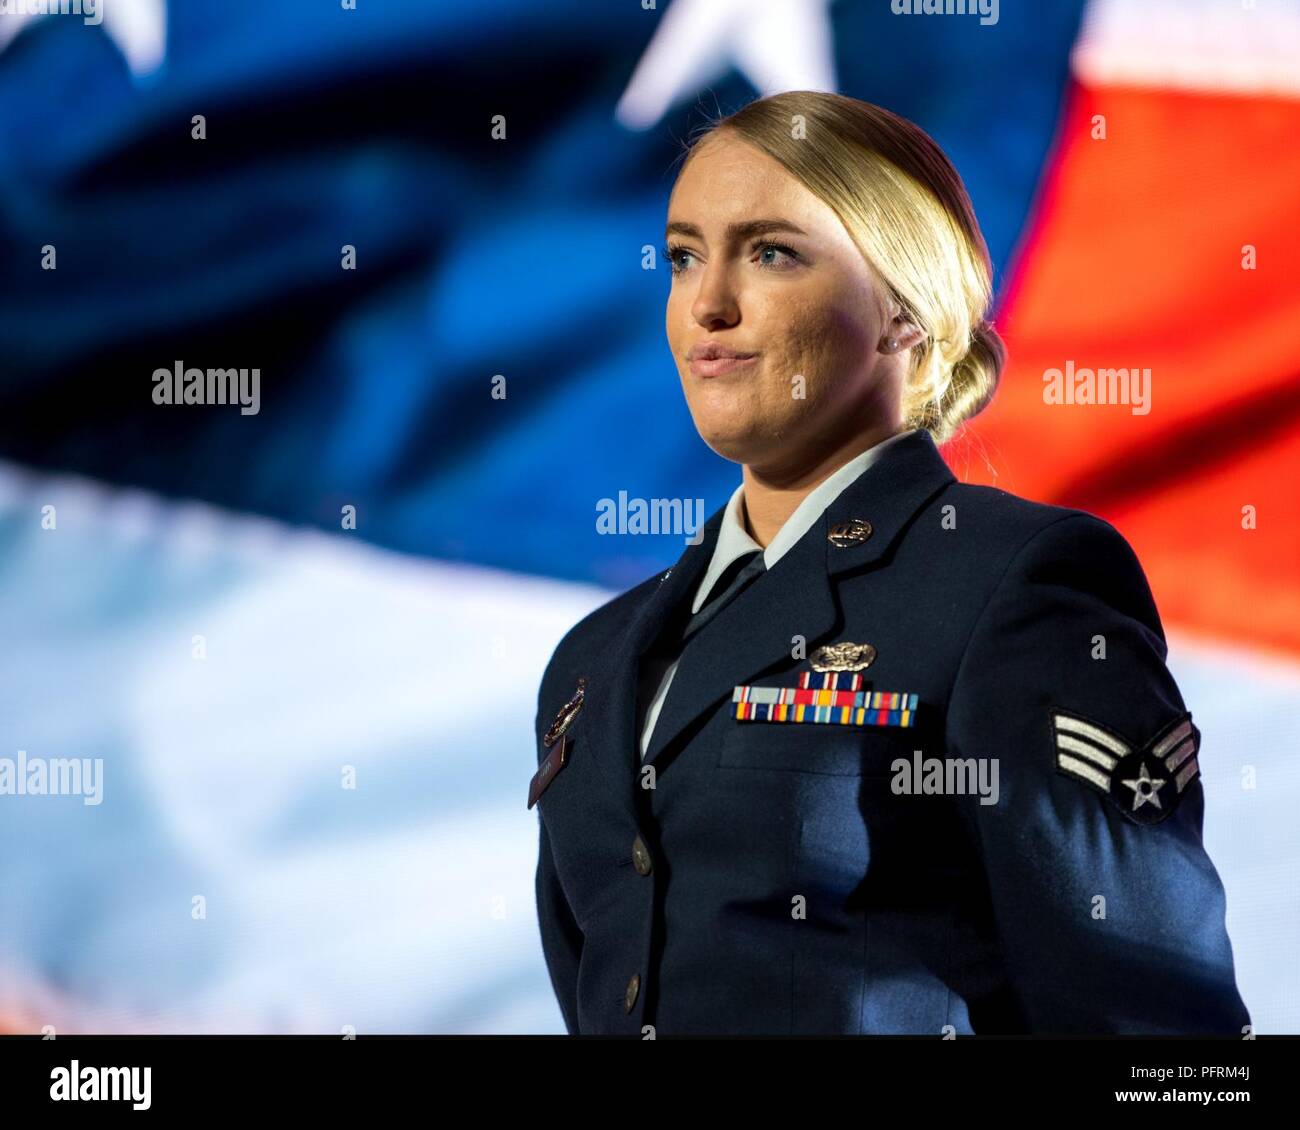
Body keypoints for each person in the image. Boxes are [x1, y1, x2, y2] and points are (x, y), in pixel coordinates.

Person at [529, 90, 1250, 1036]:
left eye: (772, 252)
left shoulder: (1012, 585)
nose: (707, 303)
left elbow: (1162, 1034)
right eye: (684, 256)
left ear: (903, 313)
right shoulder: (593, 659)